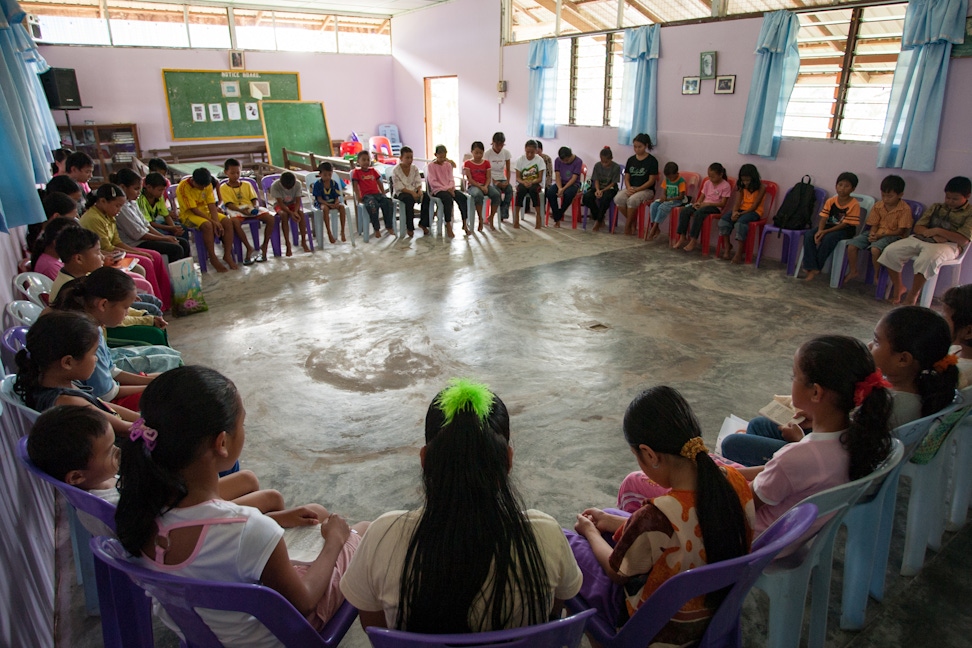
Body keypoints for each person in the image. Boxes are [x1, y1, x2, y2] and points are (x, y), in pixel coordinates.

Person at [114, 366, 367, 644]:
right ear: (222, 442)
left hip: (204, 632)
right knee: (364, 532)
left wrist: (278, 518)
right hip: (275, 636)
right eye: (242, 424)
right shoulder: (248, 528)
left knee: (316, 514)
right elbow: (304, 601)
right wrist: (335, 540)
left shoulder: (137, 511)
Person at [340, 379, 582, 632]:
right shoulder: (545, 535)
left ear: (425, 460)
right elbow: (554, 611)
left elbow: (377, 632)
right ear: (508, 461)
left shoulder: (383, 535)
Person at [568, 386, 753, 642]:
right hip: (715, 614)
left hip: (659, 629)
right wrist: (613, 521)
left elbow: (616, 571)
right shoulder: (735, 483)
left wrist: (589, 532)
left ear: (650, 454)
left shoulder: (655, 516)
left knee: (570, 543)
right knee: (611, 516)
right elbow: (685, 530)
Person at [722, 308, 957, 466]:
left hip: (831, 466)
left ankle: (776, 484)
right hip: (837, 448)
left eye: (876, 341)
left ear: (903, 359)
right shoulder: (912, 393)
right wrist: (817, 421)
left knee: (734, 443)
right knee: (759, 424)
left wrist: (799, 441)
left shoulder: (894, 407)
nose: (869, 345)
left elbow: (841, 457)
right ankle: (771, 473)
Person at [740, 336, 893, 534]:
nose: (792, 381)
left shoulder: (793, 458)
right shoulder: (857, 438)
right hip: (793, 539)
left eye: (794, 376)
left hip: (753, 541)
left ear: (816, 393)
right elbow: (783, 473)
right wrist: (730, 472)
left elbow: (744, 504)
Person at [52, 268, 176, 409]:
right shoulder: (88, 336)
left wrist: (148, 381)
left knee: (167, 377)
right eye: (125, 307)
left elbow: (111, 370)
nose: (127, 312)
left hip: (110, 394)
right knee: (170, 393)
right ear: (103, 304)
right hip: (110, 403)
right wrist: (151, 385)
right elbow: (106, 395)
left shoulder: (94, 326)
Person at [14, 311, 139, 433]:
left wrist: (139, 419)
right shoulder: (68, 402)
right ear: (68, 362)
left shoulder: (53, 381)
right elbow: (124, 429)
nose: (96, 359)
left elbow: (102, 404)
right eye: (94, 353)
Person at [878, 176, 972, 305]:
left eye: (955, 199)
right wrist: (932, 234)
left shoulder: (970, 213)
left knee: (928, 258)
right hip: (925, 237)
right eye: (947, 197)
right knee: (890, 251)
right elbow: (918, 227)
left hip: (949, 245)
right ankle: (899, 286)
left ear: (967, 196)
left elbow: (963, 239)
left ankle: (913, 294)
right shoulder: (937, 207)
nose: (950, 201)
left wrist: (939, 231)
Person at [79, 183, 173, 310]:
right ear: (102, 201)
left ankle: (164, 300)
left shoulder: (108, 215)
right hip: (107, 255)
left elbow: (117, 241)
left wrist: (138, 252)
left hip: (114, 251)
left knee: (154, 256)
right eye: (117, 206)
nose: (119, 210)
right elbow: (107, 248)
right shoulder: (94, 218)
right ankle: (153, 304)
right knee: (145, 262)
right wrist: (139, 253)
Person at [51, 226, 163, 325]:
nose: (102, 257)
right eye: (97, 252)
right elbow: (109, 317)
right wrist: (146, 319)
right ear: (79, 259)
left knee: (152, 301)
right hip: (105, 330)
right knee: (152, 311)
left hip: (111, 314)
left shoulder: (84, 275)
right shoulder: (69, 288)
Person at [842, 175, 913, 285]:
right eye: (883, 195)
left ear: (900, 195)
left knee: (875, 249)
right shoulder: (879, 205)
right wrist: (873, 234)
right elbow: (874, 224)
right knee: (852, 245)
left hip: (893, 236)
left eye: (889, 196)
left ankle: (876, 274)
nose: (885, 199)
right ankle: (853, 271)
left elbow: (900, 231)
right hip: (877, 233)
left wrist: (880, 236)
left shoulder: (904, 209)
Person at [111, 169, 190, 262]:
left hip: (144, 238)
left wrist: (164, 238)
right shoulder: (121, 208)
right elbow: (139, 234)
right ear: (123, 187)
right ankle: (172, 275)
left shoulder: (132, 202)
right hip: (135, 243)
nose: (138, 193)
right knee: (176, 249)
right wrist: (164, 238)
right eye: (136, 189)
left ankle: (185, 272)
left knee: (183, 243)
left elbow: (146, 224)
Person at [802, 172, 861, 282]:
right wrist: (820, 230)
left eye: (846, 186)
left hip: (845, 229)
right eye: (840, 185)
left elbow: (844, 224)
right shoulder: (831, 201)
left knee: (829, 239)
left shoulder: (854, 204)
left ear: (853, 189)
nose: (842, 188)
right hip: (828, 226)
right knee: (809, 234)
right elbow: (823, 218)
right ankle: (811, 266)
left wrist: (825, 232)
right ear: (836, 186)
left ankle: (816, 268)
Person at [176, 167, 237, 272]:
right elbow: (194, 210)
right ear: (193, 181)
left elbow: (211, 204)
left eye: (204, 186)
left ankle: (227, 255)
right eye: (200, 186)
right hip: (189, 215)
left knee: (226, 221)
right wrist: (213, 222)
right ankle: (213, 258)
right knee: (207, 225)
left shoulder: (207, 184)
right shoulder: (183, 187)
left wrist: (217, 222)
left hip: (206, 212)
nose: (202, 189)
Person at [220, 158, 276, 260]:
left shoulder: (247, 184)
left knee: (270, 218)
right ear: (226, 172)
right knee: (234, 222)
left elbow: (254, 198)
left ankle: (265, 245)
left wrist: (254, 207)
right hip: (236, 209)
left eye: (238, 172)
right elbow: (228, 204)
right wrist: (241, 211)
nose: (236, 175)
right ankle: (248, 247)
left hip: (249, 208)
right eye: (232, 173)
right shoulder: (223, 187)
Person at [674, 163, 731, 252]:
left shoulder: (726, 185)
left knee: (699, 213)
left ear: (721, 175)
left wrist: (708, 204)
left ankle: (693, 239)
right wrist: (697, 203)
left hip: (715, 207)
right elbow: (702, 196)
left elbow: (722, 204)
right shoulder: (708, 183)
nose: (711, 179)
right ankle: (682, 236)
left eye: (713, 177)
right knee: (685, 210)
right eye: (709, 176)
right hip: (704, 205)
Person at [717, 163, 765, 263]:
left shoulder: (761, 187)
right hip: (741, 210)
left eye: (748, 180)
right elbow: (737, 203)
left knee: (740, 224)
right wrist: (735, 212)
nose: (745, 183)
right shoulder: (741, 186)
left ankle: (739, 252)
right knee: (723, 221)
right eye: (743, 180)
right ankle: (727, 247)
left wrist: (739, 215)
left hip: (754, 212)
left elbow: (754, 207)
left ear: (754, 178)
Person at [615, 134, 658, 236]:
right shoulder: (631, 160)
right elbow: (627, 177)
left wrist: (638, 189)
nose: (637, 149)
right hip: (632, 188)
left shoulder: (652, 161)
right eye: (635, 146)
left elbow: (651, 181)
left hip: (646, 190)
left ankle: (627, 226)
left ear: (646, 146)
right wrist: (629, 187)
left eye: (639, 147)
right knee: (618, 198)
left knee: (632, 200)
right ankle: (633, 222)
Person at [423, 144, 468, 238]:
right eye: (440, 156)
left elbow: (451, 178)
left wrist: (451, 188)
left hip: (450, 188)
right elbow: (433, 182)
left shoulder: (448, 165)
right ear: (435, 155)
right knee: (448, 199)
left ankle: (464, 223)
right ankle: (448, 225)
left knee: (462, 198)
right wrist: (446, 189)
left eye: (444, 156)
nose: (442, 158)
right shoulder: (431, 166)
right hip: (438, 190)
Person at [351, 150, 395, 239]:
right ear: (358, 161)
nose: (366, 162)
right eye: (363, 160)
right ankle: (376, 229)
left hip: (377, 194)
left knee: (388, 202)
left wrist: (383, 193)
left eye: (368, 160)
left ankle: (389, 226)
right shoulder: (356, 172)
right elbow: (355, 186)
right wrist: (358, 197)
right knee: (372, 205)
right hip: (367, 196)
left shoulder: (373, 171)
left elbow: (379, 183)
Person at [137, 172, 186, 244]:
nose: (162, 193)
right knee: (164, 233)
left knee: (182, 228)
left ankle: (184, 251)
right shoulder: (140, 199)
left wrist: (174, 228)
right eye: (160, 190)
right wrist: (171, 228)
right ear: (149, 187)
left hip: (155, 223)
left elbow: (166, 215)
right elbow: (149, 223)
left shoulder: (159, 197)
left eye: (163, 190)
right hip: (146, 227)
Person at [270, 171, 310, 256]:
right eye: (286, 188)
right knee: (284, 215)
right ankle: (288, 243)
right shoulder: (275, 186)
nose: (288, 189)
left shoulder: (297, 184)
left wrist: (295, 212)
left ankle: (303, 241)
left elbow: (298, 200)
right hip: (280, 205)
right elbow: (280, 203)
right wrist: (291, 213)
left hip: (293, 204)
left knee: (301, 214)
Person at [583, 146, 621, 232]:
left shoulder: (616, 167)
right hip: (598, 188)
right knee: (586, 197)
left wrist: (603, 191)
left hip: (610, 188)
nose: (604, 164)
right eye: (602, 162)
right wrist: (597, 189)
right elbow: (596, 179)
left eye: (606, 162)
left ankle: (598, 221)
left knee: (605, 199)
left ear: (611, 159)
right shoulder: (597, 165)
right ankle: (599, 218)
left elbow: (613, 183)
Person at [646, 162, 687, 241]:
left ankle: (654, 228)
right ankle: (656, 228)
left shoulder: (681, 181)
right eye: (668, 177)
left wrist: (668, 199)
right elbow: (664, 192)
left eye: (672, 177)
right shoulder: (666, 179)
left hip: (676, 201)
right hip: (667, 199)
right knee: (654, 205)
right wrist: (664, 197)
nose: (670, 179)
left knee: (662, 207)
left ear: (676, 173)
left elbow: (681, 196)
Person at [544, 147, 583, 228]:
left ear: (570, 156)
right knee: (550, 192)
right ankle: (557, 216)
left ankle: (558, 215)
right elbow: (557, 175)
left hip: (573, 184)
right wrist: (560, 188)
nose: (565, 162)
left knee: (568, 194)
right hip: (560, 183)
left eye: (566, 160)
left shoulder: (578, 161)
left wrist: (563, 189)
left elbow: (574, 178)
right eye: (563, 161)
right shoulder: (557, 160)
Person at [942, 284, 972, 388]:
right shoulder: (956, 349)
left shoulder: (961, 375)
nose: (941, 322)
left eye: (945, 318)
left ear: (968, 332)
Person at [392, 147, 425, 237]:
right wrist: (412, 193)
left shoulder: (414, 168)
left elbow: (418, 180)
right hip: (401, 192)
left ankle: (423, 223)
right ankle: (409, 227)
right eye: (407, 158)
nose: (410, 160)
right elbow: (399, 186)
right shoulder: (396, 170)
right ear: (401, 158)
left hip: (414, 190)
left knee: (426, 197)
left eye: (411, 157)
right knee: (409, 200)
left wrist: (419, 190)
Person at [463, 141, 495, 231]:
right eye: (476, 153)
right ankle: (480, 218)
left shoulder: (486, 163)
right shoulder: (467, 163)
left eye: (481, 153)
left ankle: (491, 217)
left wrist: (485, 186)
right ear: (472, 152)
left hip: (485, 185)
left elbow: (488, 177)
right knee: (478, 195)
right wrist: (481, 187)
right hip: (473, 186)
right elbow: (470, 179)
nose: (478, 155)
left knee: (496, 194)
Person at [312, 161, 347, 244]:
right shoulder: (317, 184)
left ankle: (342, 231)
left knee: (342, 207)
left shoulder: (334, 183)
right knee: (325, 209)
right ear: (320, 174)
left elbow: (337, 197)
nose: (327, 177)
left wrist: (336, 202)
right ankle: (329, 232)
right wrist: (328, 204)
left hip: (332, 202)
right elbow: (319, 199)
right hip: (322, 203)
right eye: (325, 175)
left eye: (329, 175)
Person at [512, 140, 545, 229]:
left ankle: (538, 216)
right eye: (527, 152)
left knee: (533, 190)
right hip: (523, 182)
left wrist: (531, 182)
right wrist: (524, 182)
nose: (529, 154)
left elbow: (540, 178)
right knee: (521, 190)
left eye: (532, 152)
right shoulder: (520, 159)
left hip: (535, 183)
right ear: (525, 150)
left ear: (536, 151)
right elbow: (518, 177)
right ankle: (516, 218)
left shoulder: (540, 160)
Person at [484, 132, 513, 221]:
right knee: (497, 192)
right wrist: (495, 182)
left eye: (501, 145)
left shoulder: (506, 153)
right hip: (491, 179)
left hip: (502, 177)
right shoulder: (487, 153)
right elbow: (485, 171)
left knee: (509, 190)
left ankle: (503, 211)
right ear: (493, 143)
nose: (499, 147)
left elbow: (508, 169)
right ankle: (498, 212)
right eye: (497, 145)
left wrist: (507, 181)